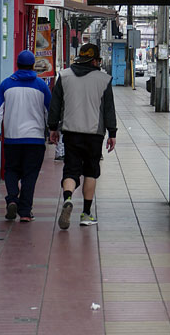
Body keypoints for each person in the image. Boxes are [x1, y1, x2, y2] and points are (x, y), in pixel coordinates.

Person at [48, 43, 117, 229]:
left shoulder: (64, 76)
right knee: (90, 172)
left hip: (71, 132)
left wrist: (52, 128)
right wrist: (112, 133)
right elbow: (109, 109)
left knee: (71, 169)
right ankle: (86, 214)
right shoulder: (104, 79)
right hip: (94, 134)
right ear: (94, 61)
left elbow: (55, 106)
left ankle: (68, 199)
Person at [0, 50, 51, 222]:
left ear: (17, 64)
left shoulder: (6, 84)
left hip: (12, 138)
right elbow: (49, 111)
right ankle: (25, 212)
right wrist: (52, 130)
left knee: (11, 169)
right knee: (30, 175)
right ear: (33, 65)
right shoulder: (41, 86)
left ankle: (12, 198)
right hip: (35, 139)